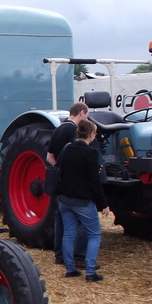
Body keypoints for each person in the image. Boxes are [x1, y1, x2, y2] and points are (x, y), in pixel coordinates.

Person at [57, 119, 110, 282]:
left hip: (64, 199)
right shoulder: (90, 153)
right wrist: (103, 204)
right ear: (92, 134)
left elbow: (61, 172)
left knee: (68, 234)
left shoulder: (67, 149)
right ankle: (91, 272)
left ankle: (70, 269)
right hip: (82, 201)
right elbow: (94, 182)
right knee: (94, 234)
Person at [47, 102, 89, 266]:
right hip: (71, 182)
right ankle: (78, 256)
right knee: (79, 219)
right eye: (86, 115)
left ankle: (59, 255)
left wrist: (58, 170)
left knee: (60, 219)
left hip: (59, 181)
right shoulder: (73, 130)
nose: (87, 118)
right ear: (82, 113)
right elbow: (75, 155)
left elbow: (49, 157)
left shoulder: (58, 128)